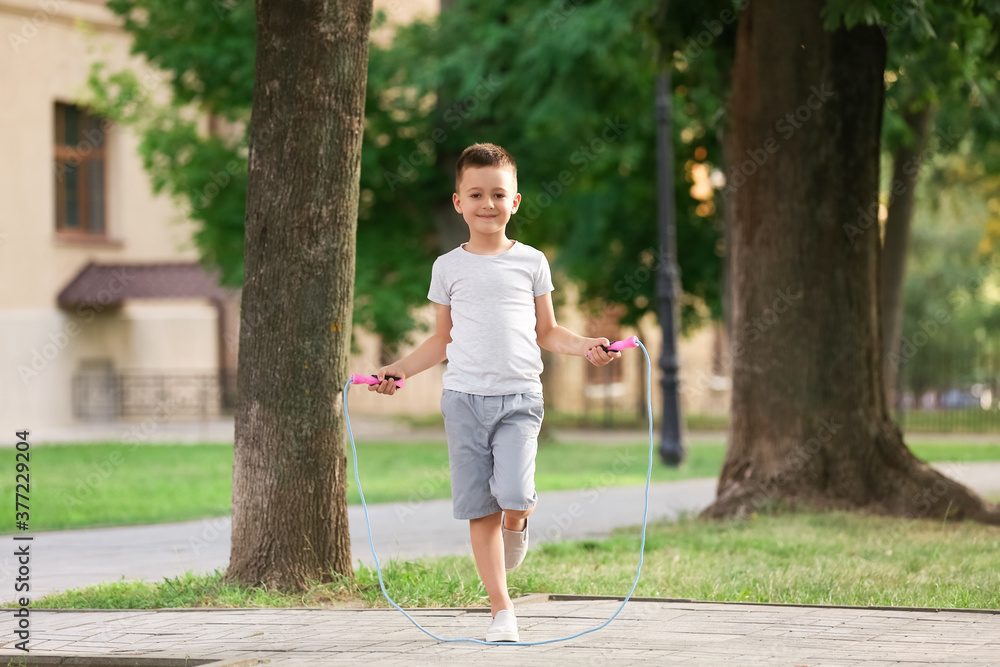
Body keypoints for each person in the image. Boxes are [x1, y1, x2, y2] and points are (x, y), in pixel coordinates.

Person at [369, 142, 620, 642]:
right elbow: (441, 339)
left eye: (498, 194)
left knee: (514, 494)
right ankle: (502, 611)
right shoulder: (447, 267)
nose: (488, 203)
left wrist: (588, 345)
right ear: (458, 202)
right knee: (479, 506)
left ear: (516, 202)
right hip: (462, 400)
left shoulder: (532, 262)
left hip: (520, 399)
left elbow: (548, 332)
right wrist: (398, 370)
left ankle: (519, 522)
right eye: (476, 194)